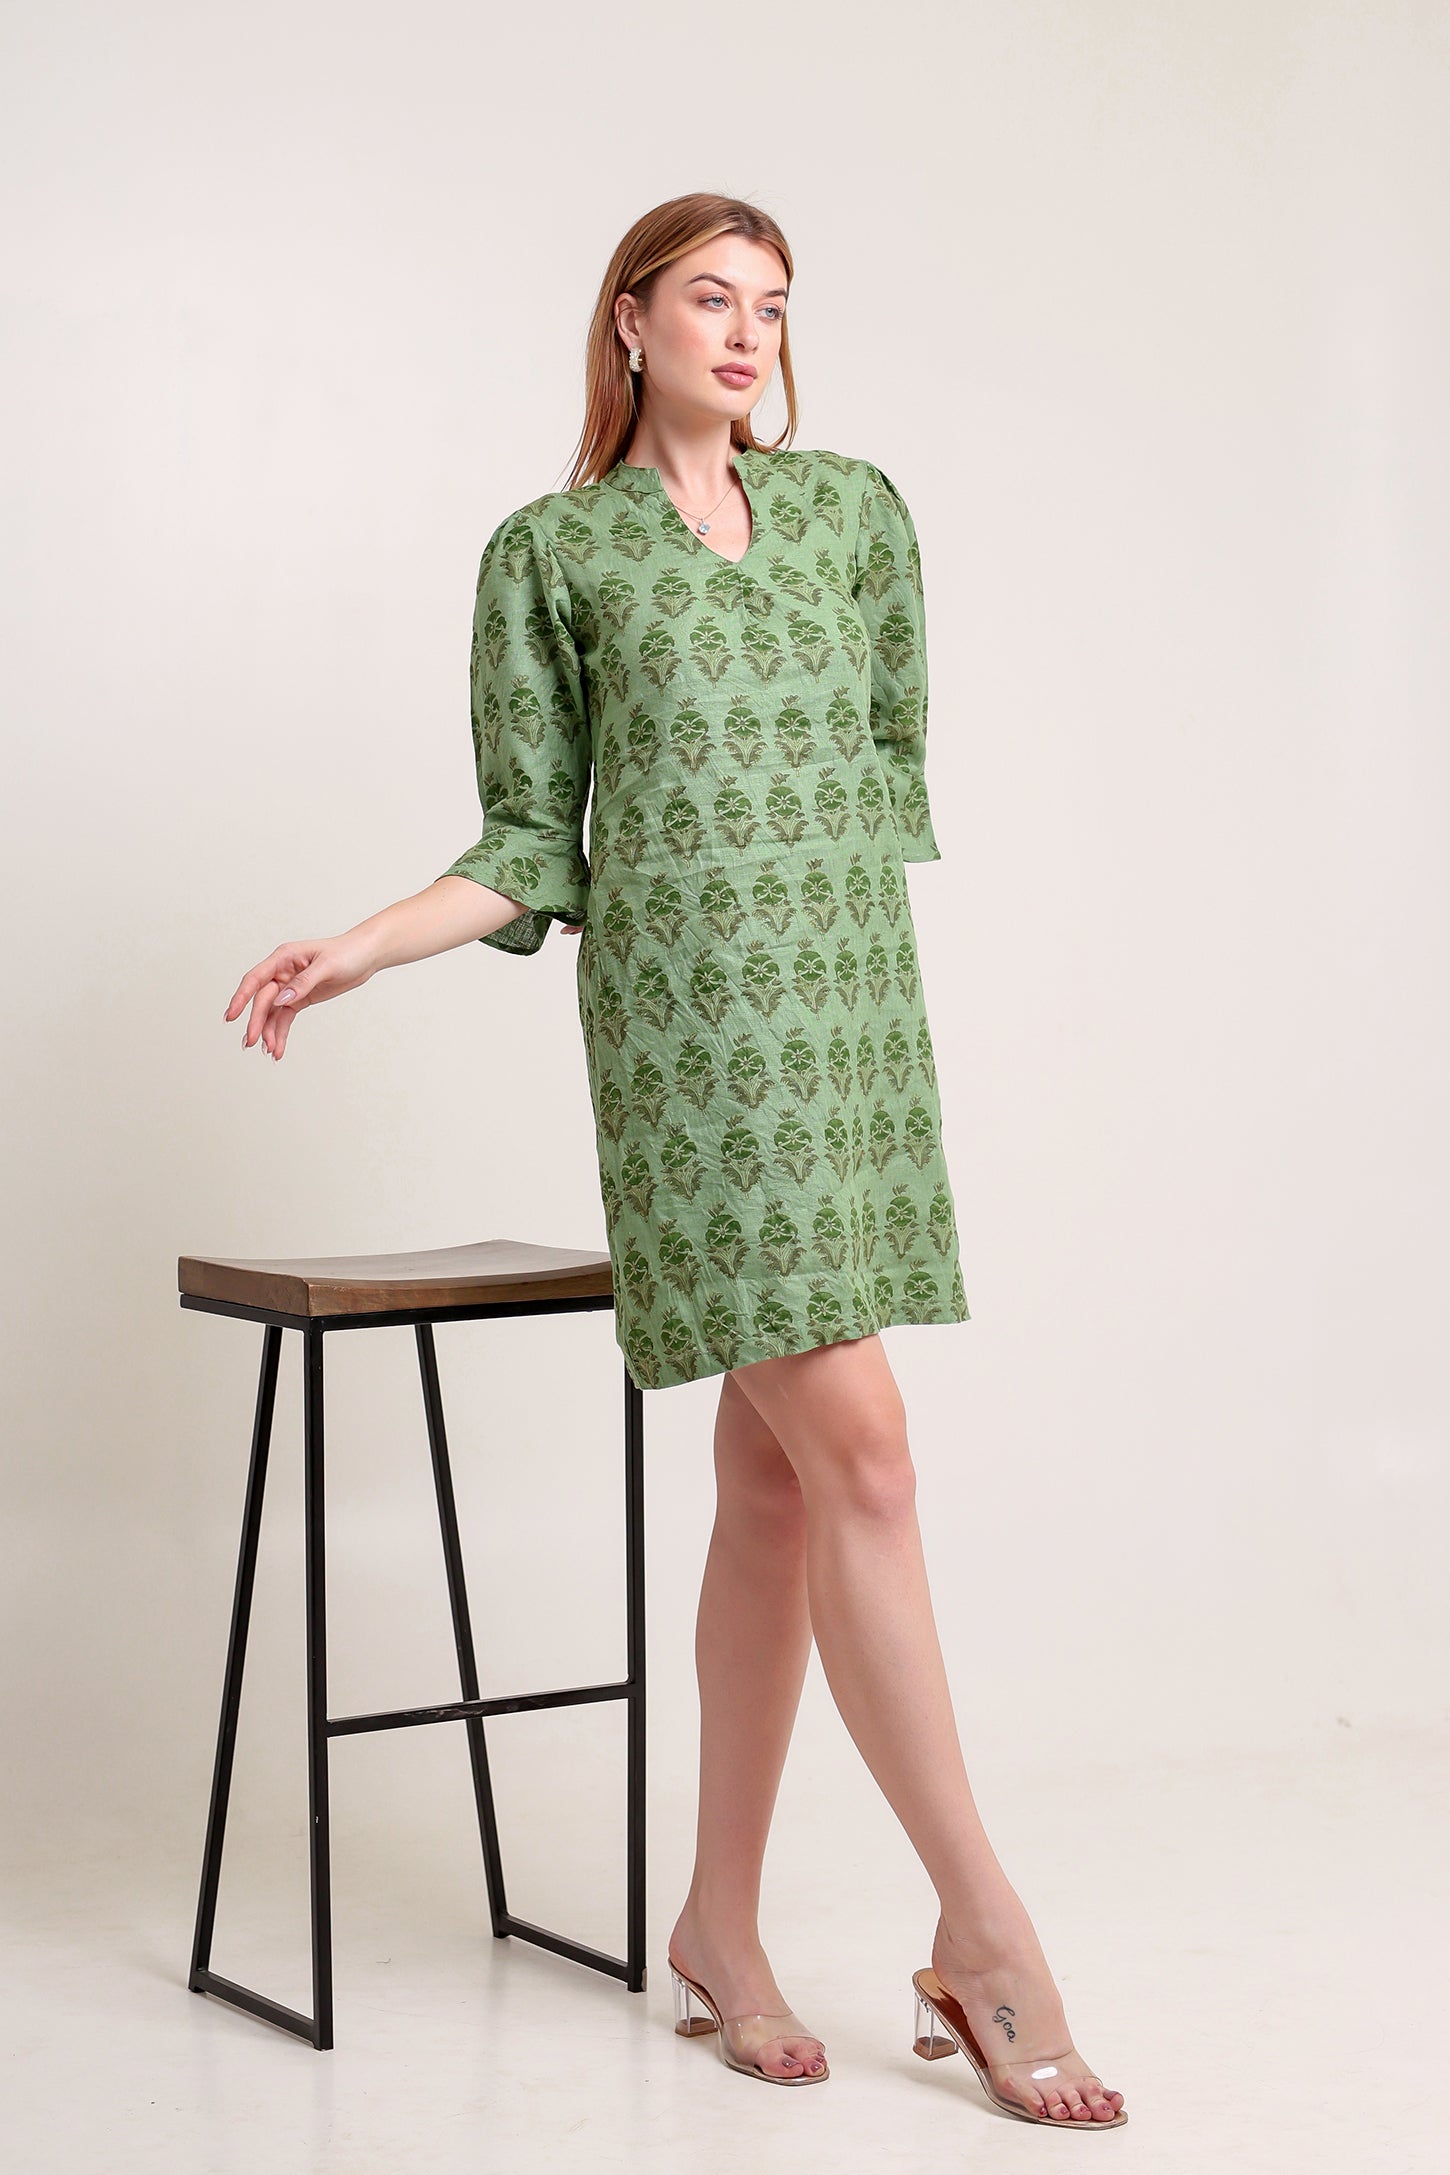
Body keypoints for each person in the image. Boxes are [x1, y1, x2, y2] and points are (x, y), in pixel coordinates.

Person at [224, 192, 1127, 2127]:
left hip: (855, 1036)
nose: (749, 331)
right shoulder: (550, 556)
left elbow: (882, 765)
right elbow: (532, 836)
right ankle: (984, 1936)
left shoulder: (855, 515)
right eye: (711, 298)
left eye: (775, 306)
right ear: (627, 321)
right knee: (865, 1453)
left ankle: (716, 1920)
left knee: (783, 1487)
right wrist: (359, 946)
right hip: (697, 1057)